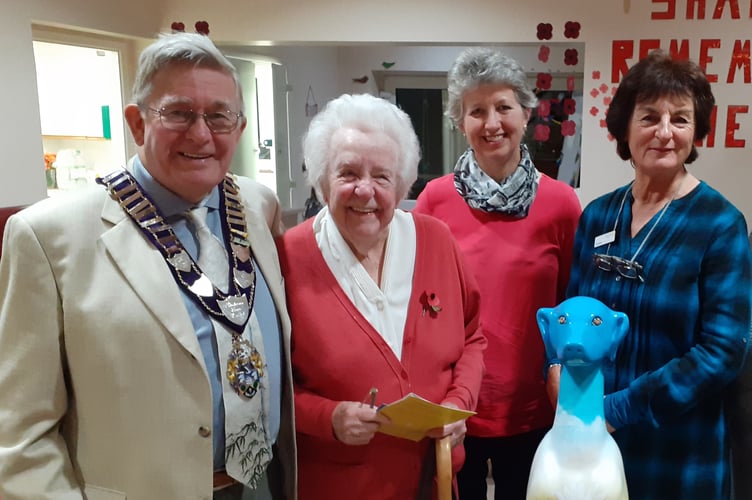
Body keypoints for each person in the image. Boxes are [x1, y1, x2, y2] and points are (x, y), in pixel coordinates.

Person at [0, 32, 296, 499]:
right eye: (178, 113)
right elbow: (18, 437)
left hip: (264, 483)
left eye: (219, 116)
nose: (201, 134)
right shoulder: (50, 237)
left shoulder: (257, 206)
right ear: (138, 124)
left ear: (238, 129)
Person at [560, 50, 751, 499]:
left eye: (680, 119)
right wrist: (555, 368)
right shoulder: (599, 215)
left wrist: (621, 408)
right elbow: (572, 310)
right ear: (624, 129)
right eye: (649, 117)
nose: (665, 133)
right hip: (591, 434)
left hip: (679, 445)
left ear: (696, 132)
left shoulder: (720, 224)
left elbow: (723, 352)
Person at [276, 93, 486, 499]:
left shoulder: (436, 240)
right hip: (339, 485)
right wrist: (328, 417)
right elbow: (270, 384)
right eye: (348, 173)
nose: (365, 190)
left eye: (382, 176)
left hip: (433, 480)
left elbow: (473, 335)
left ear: (403, 183)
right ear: (322, 181)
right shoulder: (288, 257)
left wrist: (459, 403)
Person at [413, 47, 581, 499]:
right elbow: (419, 303)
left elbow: (570, 305)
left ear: (526, 114)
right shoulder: (434, 200)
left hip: (534, 406)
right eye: (477, 111)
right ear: (460, 121)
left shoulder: (561, 204)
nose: (492, 123)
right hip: (455, 406)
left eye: (503, 107)